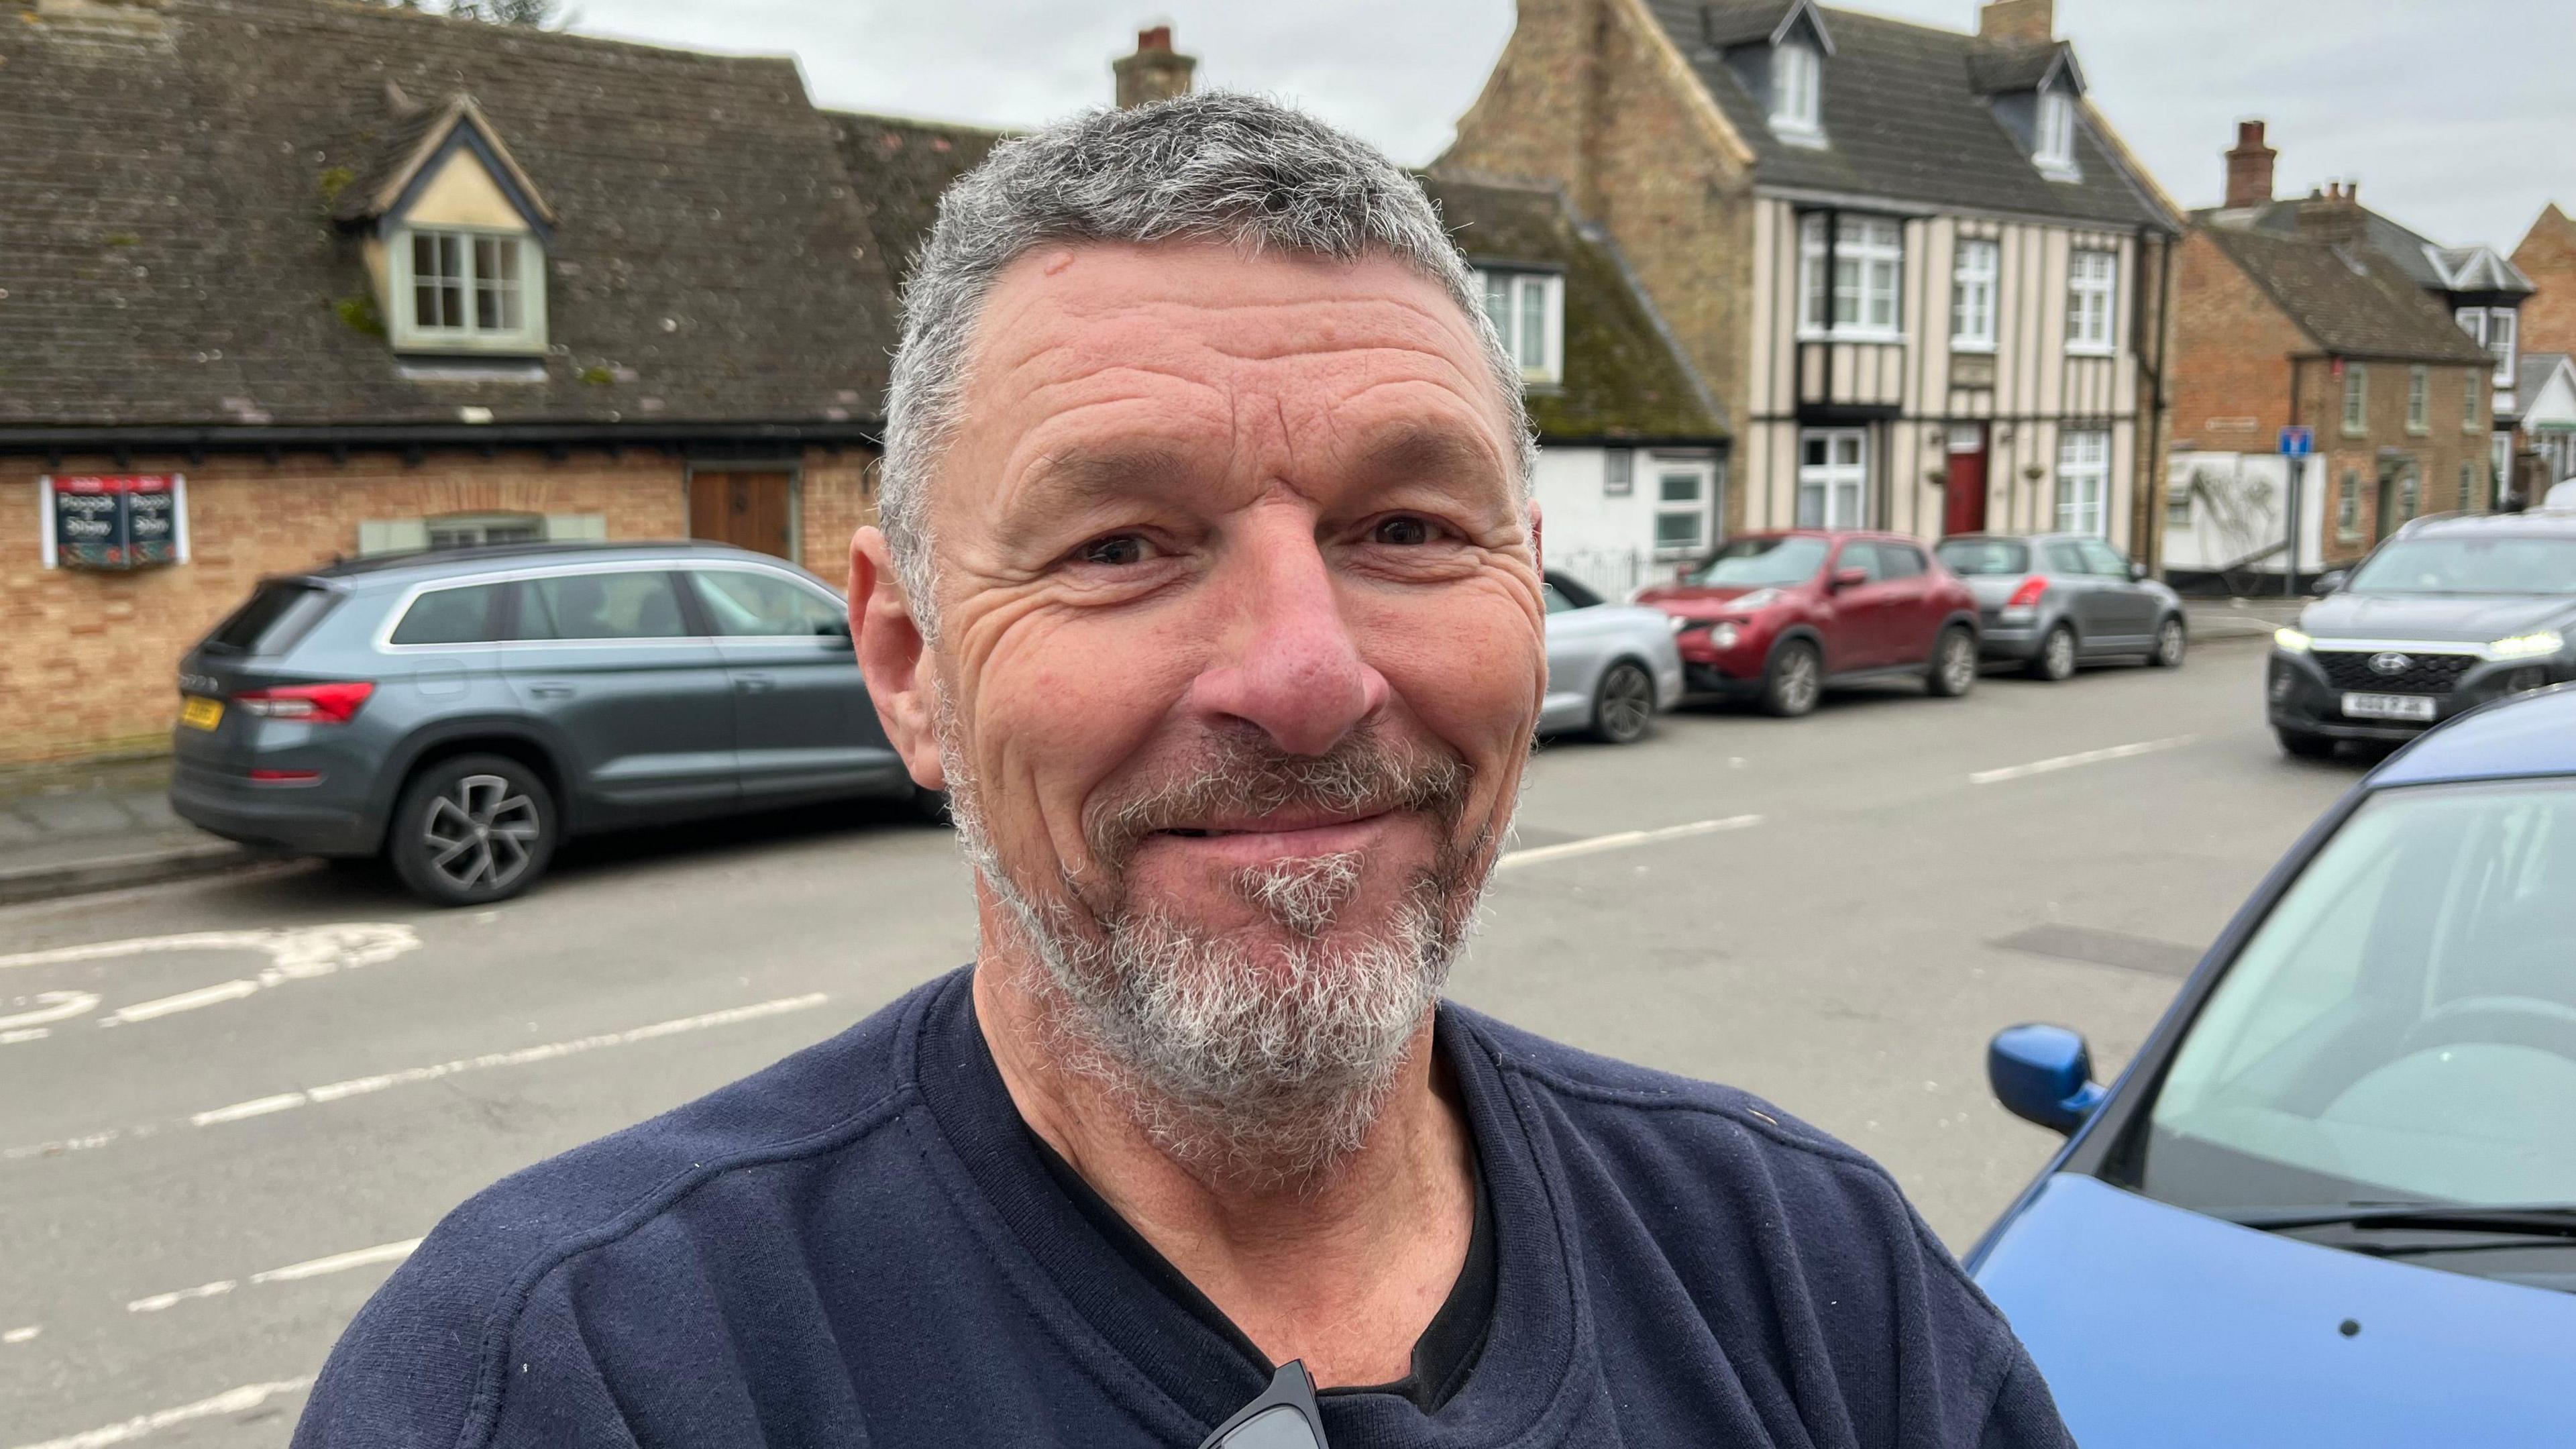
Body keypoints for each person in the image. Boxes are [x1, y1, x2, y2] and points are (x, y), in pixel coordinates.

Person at [294, 93, 2072, 1449]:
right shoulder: (571, 1378)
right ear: (907, 661)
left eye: (1405, 525)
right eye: (1124, 544)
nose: (1307, 675)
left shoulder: (1818, 1284)